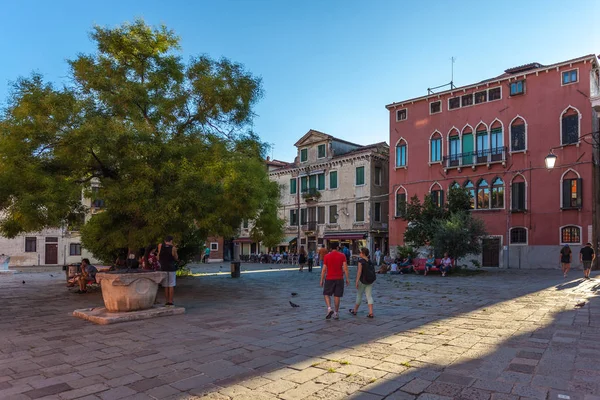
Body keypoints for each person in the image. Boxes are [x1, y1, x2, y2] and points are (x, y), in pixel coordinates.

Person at [321, 242, 350, 320]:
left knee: (326, 294)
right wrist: (347, 278)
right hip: (339, 278)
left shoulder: (327, 256)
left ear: (330, 248)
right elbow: (345, 268)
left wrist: (321, 280)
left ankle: (329, 308)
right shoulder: (342, 256)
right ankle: (336, 313)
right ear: (337, 248)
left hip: (329, 278)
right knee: (337, 296)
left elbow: (324, 270)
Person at [350, 247, 375, 318]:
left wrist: (356, 281)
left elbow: (359, 272)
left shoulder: (361, 261)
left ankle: (355, 310)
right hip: (369, 281)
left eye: (360, 252)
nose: (359, 254)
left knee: (359, 295)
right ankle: (371, 312)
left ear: (363, 253)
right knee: (369, 296)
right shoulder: (370, 261)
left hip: (362, 280)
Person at [158, 235, 179, 306]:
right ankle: (171, 301)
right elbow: (176, 257)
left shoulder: (160, 246)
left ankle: (166, 300)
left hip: (163, 267)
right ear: (171, 241)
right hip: (171, 268)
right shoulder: (173, 248)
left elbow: (159, 255)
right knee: (171, 285)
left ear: (164, 241)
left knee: (165, 285)